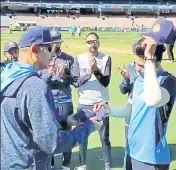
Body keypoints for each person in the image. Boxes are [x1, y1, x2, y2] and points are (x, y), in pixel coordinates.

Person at [1, 26, 101, 170]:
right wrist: (88, 127)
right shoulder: (35, 86)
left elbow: (25, 122)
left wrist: (80, 117)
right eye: (49, 49)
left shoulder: (7, 77)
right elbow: (52, 143)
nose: (53, 54)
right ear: (35, 51)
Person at [125, 19, 176, 170]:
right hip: (132, 151)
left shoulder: (169, 81)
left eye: (141, 65)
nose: (137, 69)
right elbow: (131, 109)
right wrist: (109, 110)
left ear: (153, 59)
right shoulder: (140, 78)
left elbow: (153, 100)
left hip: (152, 158)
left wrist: (147, 60)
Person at [71, 32, 112, 170]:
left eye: (95, 41)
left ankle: (108, 166)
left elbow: (105, 82)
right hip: (84, 105)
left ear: (98, 42)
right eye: (89, 42)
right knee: (82, 137)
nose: (92, 44)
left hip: (101, 105)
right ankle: (83, 165)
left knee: (104, 138)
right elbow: (76, 82)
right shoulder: (79, 59)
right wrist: (90, 73)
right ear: (85, 43)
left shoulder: (106, 58)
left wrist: (96, 71)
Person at [38, 30, 74, 170]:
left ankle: (66, 164)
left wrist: (65, 76)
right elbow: (40, 80)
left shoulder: (69, 59)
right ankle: (51, 165)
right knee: (50, 134)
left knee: (66, 134)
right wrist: (51, 72)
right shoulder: (42, 60)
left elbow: (75, 81)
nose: (54, 44)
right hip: (49, 101)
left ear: (60, 42)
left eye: (57, 41)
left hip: (65, 101)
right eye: (52, 41)